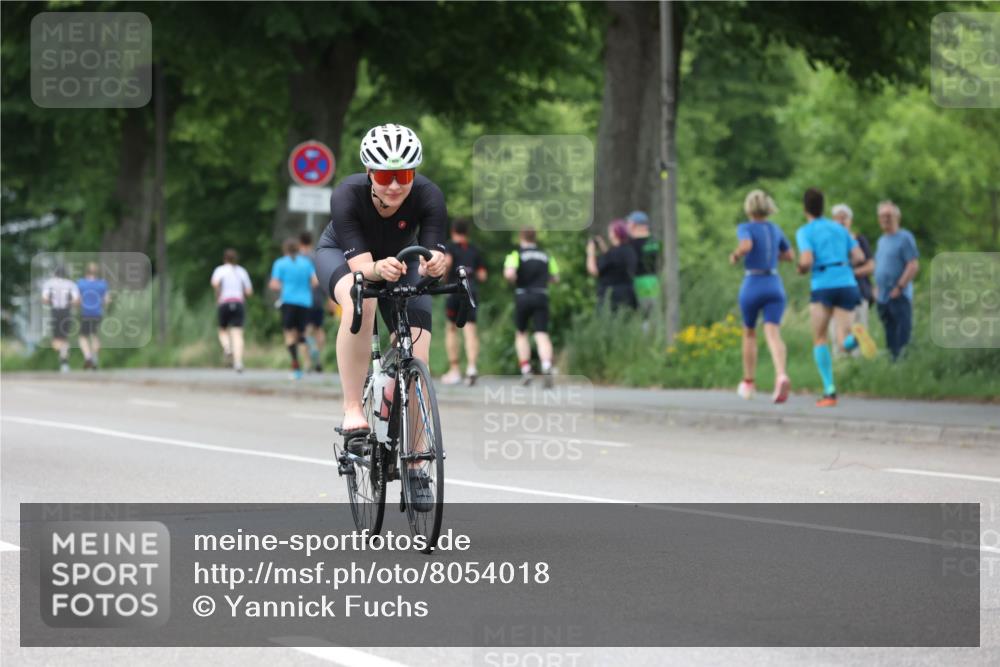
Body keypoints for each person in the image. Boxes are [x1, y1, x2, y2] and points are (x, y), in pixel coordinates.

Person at [314, 124, 447, 511]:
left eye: (403, 176)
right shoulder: (347, 195)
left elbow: (432, 253)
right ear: (370, 173)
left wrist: (436, 264)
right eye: (386, 176)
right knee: (362, 301)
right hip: (343, 256)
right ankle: (354, 407)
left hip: (400, 260)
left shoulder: (428, 195)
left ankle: (418, 462)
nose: (394, 186)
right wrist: (374, 270)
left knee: (419, 350)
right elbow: (362, 269)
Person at [795, 188, 872, 407]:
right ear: (823, 205)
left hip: (823, 284)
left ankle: (829, 391)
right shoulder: (840, 229)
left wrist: (801, 268)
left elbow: (807, 260)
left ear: (805, 209)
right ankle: (856, 337)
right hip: (847, 283)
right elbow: (859, 256)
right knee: (842, 341)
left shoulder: (805, 231)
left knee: (820, 338)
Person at [729, 190, 794, 403]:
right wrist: (771, 254)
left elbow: (747, 245)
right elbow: (790, 255)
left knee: (749, 333)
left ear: (748, 209)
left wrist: (736, 254)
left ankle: (749, 383)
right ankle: (781, 375)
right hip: (774, 283)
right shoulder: (775, 229)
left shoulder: (745, 227)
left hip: (753, 282)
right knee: (773, 333)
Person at [504, 227, 560, 387]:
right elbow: (555, 277)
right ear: (535, 238)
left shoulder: (516, 254)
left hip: (523, 295)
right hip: (541, 295)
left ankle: (526, 369)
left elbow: (509, 274)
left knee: (521, 333)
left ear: (521, 237)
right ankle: (547, 365)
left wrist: (515, 277)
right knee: (541, 333)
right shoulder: (546, 255)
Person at [441, 218, 487, 386]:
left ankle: (454, 370)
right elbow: (482, 275)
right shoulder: (474, 249)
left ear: (453, 231)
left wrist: (444, 280)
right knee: (471, 330)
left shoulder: (449, 247)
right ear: (467, 232)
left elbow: (447, 264)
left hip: (454, 290)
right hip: (471, 291)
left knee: (452, 329)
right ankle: (472, 368)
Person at [874, 200, 919, 360]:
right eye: (882, 216)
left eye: (888, 215)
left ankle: (904, 367)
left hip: (899, 295)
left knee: (902, 335)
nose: (885, 219)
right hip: (883, 296)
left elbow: (913, 265)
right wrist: (876, 288)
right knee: (889, 335)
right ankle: (893, 368)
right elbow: (880, 266)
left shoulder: (905, 237)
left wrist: (900, 287)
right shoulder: (881, 240)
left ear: (897, 217)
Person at [830, 204, 876, 359]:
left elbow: (870, 266)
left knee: (858, 327)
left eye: (845, 218)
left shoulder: (859, 239)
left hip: (858, 292)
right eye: (838, 218)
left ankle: (859, 367)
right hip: (836, 294)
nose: (841, 221)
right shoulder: (829, 243)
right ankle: (841, 368)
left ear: (850, 220)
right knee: (837, 333)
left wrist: (850, 273)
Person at [269, 238, 319, 380]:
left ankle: (296, 367)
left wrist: (284, 287)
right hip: (305, 302)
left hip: (289, 301)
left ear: (285, 250)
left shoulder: (280, 263)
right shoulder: (306, 263)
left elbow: (274, 284)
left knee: (289, 334)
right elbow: (315, 282)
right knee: (302, 334)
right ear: (297, 249)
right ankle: (308, 362)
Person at [211, 249, 253, 373]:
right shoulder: (241, 271)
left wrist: (218, 294)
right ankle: (238, 362)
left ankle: (227, 347)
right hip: (239, 303)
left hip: (224, 302)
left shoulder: (220, 270)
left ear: (224, 259)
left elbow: (215, 283)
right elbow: (249, 291)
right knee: (238, 334)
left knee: (222, 330)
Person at [586, 219, 637, 311]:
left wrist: (590, 252)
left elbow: (594, 270)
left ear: (615, 234)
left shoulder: (612, 254)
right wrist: (602, 246)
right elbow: (612, 261)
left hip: (610, 297)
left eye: (610, 231)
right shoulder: (629, 250)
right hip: (627, 294)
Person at [299, 231, 330, 373]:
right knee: (319, 329)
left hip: (302, 300)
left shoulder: (297, 259)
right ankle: (317, 353)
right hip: (318, 299)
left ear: (300, 243)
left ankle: (307, 362)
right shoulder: (317, 257)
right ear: (311, 242)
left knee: (304, 332)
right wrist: (330, 298)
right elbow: (324, 278)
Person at [40, 265, 80, 373]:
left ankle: (62, 357)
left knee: (56, 339)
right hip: (67, 312)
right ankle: (64, 361)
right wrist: (68, 303)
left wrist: (53, 301)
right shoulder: (71, 284)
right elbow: (77, 301)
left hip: (55, 311)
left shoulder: (49, 283)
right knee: (64, 338)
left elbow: (44, 299)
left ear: (55, 274)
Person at [626, 210, 662, 318]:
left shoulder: (631, 245)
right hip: (654, 282)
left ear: (634, 225)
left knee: (641, 317)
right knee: (654, 317)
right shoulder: (655, 242)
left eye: (629, 223)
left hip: (639, 283)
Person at [76, 262, 110, 370]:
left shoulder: (81, 283)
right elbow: (107, 300)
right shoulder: (102, 284)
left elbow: (78, 300)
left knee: (83, 337)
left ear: (86, 272)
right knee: (95, 335)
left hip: (86, 313)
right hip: (97, 313)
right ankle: (95, 358)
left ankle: (88, 356)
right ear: (97, 273)